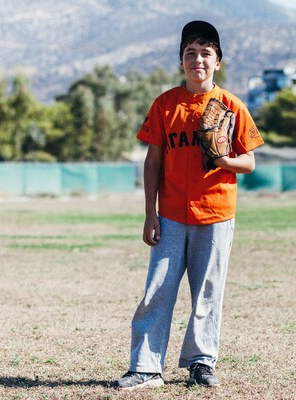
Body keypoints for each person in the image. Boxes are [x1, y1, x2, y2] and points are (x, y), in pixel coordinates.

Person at [116, 20, 264, 391]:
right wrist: (150, 212)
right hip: (170, 215)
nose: (198, 59)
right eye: (190, 53)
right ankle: (146, 368)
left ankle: (201, 363)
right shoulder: (166, 104)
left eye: (205, 53)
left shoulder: (230, 104)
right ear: (181, 61)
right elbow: (152, 162)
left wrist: (225, 160)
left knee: (207, 293)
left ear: (218, 61)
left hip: (215, 213)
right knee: (157, 291)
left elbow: (249, 162)